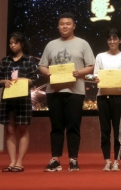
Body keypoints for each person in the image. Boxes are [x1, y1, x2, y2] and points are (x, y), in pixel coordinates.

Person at [39, 12, 95, 172]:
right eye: (62, 24)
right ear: (58, 26)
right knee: (56, 127)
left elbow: (91, 66)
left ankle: (73, 159)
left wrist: (79, 72)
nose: (65, 26)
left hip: (75, 91)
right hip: (54, 91)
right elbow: (42, 65)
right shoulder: (51, 45)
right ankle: (55, 159)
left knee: (73, 126)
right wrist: (47, 72)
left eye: (68, 24)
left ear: (74, 26)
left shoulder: (83, 44)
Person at [0, 32, 37, 173]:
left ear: (22, 44)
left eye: (15, 43)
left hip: (23, 99)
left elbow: (34, 79)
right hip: (8, 99)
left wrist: (23, 80)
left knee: (22, 128)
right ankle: (12, 161)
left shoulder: (29, 60)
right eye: (10, 43)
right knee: (9, 130)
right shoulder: (5, 61)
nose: (12, 45)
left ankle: (20, 162)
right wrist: (4, 81)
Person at [94, 28, 121, 172]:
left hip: (120, 96)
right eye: (110, 39)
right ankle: (107, 160)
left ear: (120, 40)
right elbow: (94, 75)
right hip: (102, 96)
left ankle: (116, 161)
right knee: (104, 130)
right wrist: (95, 79)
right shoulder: (100, 56)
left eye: (115, 38)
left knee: (118, 130)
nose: (112, 41)